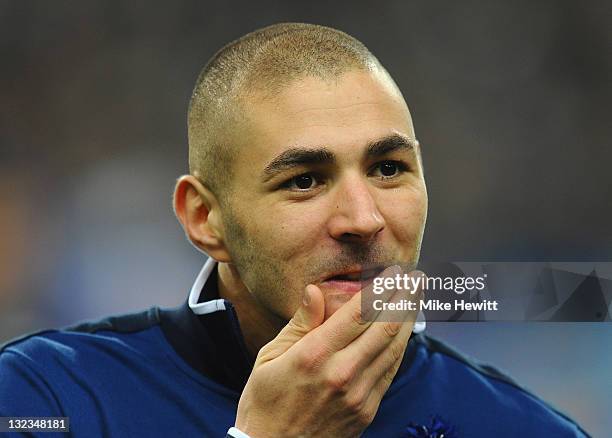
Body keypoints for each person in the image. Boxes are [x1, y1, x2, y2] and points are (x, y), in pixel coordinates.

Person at [0, 23, 588, 437]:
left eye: (389, 169)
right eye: (305, 180)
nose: (363, 219)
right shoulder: (45, 398)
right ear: (206, 219)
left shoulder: (526, 428)